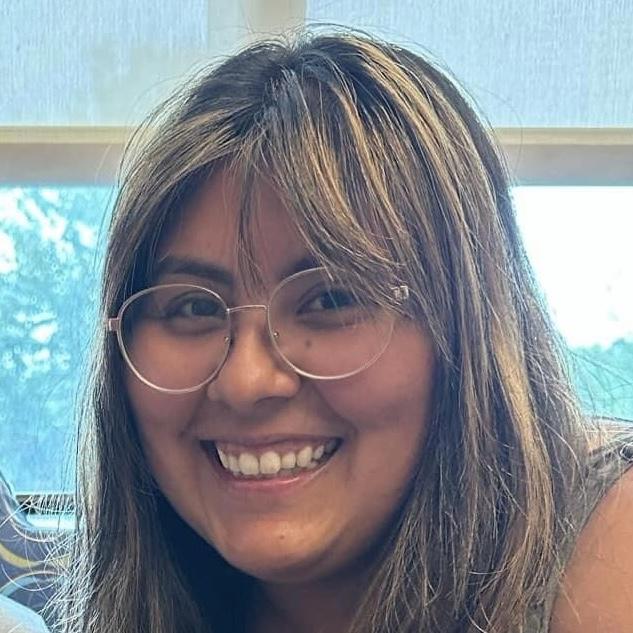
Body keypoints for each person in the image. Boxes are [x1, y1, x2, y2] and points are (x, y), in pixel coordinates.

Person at [58, 31, 633, 633]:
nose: (247, 381)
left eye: (332, 298)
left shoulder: (607, 543)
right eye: (193, 309)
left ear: (468, 328)